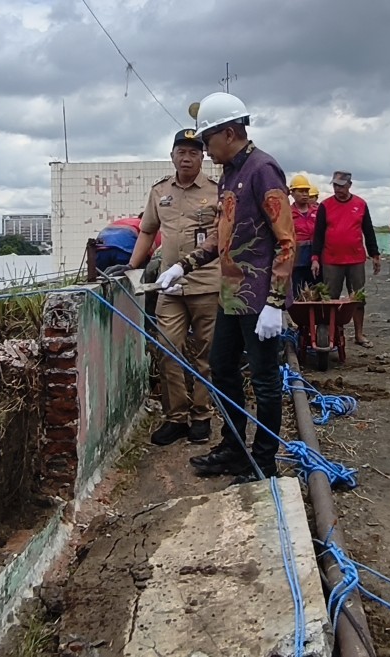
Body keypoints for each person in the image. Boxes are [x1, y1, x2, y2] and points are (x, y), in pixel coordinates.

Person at [155, 91, 296, 483]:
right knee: (221, 368)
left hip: (259, 301)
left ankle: (263, 460)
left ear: (230, 132)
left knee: (266, 382)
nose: (204, 150)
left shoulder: (263, 170)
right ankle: (234, 446)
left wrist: (275, 302)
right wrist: (183, 266)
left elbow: (287, 240)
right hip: (231, 296)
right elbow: (222, 237)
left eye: (207, 141)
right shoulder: (231, 174)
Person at [105, 129, 221, 446]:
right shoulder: (160, 192)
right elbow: (147, 231)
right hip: (169, 287)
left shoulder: (216, 191)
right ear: (172, 156)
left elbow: (225, 235)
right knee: (168, 349)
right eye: (181, 152)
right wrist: (131, 266)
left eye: (194, 152)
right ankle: (176, 417)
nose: (186, 157)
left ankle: (201, 416)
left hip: (206, 284)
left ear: (202, 157)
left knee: (204, 355)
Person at [310, 170, 381, 348]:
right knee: (329, 298)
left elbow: (368, 231)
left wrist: (375, 254)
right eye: (335, 185)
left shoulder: (360, 204)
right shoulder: (325, 206)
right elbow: (318, 234)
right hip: (331, 259)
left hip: (355, 258)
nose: (338, 189)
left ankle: (359, 334)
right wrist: (315, 258)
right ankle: (329, 335)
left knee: (357, 298)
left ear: (349, 185)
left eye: (341, 186)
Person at [289, 173, 320, 295]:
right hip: (297, 262)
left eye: (307, 191)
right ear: (292, 193)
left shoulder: (318, 212)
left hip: (316, 260)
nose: (305, 194)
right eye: (301, 191)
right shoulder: (288, 213)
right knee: (298, 296)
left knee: (318, 294)